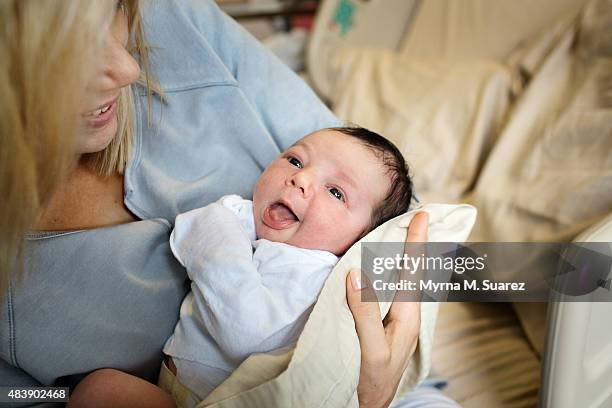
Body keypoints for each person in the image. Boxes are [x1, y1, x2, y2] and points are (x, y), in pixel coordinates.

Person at [1, 1, 431, 407]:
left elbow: (429, 235)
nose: (129, 67)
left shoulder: (177, 17)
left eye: (114, 10)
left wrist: (381, 380)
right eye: (69, 51)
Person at [68, 126, 414, 407]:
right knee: (100, 390)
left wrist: (217, 233)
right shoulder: (253, 222)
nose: (300, 179)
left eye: (336, 192)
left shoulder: (317, 270)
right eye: (294, 160)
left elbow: (247, 333)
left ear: (364, 239)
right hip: (173, 388)